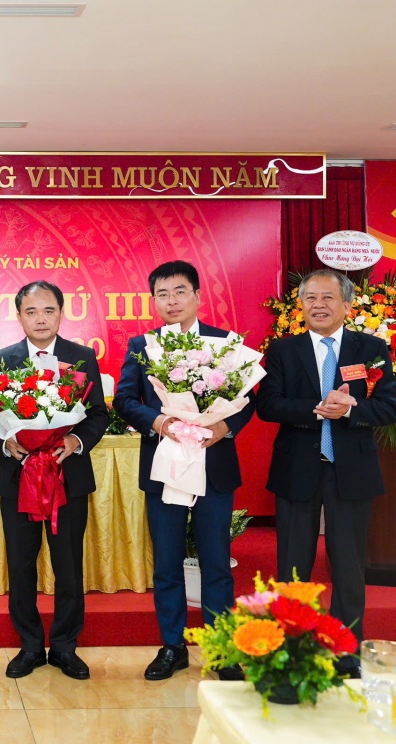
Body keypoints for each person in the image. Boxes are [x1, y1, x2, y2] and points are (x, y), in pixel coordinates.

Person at [113, 260, 254, 682]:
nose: (171, 301)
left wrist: (224, 427)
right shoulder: (143, 346)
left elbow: (250, 399)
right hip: (165, 465)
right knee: (167, 564)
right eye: (162, 294)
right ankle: (172, 647)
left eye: (179, 292)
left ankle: (222, 650)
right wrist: (162, 423)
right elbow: (125, 400)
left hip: (213, 465)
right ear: (153, 301)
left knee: (216, 563)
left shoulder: (226, 344)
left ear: (197, 295)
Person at [257, 269, 396, 677]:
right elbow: (268, 404)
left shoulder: (370, 348)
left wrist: (352, 407)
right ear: (300, 304)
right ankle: (291, 648)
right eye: (310, 298)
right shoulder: (283, 350)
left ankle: (345, 651)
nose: (318, 305)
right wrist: (318, 409)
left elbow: (390, 407)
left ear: (347, 305)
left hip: (351, 471)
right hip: (297, 469)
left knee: (349, 566)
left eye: (328, 297)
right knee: (293, 566)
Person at [0, 281, 109, 680]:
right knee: (21, 566)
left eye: (48, 310)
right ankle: (31, 646)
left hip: (66, 478)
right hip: (20, 478)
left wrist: (75, 440)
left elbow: (98, 414)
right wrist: (7, 442)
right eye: (31, 311)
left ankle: (65, 646)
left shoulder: (82, 357)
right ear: (19, 316)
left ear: (61, 313)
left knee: (68, 564)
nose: (40, 319)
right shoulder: (1, 361)